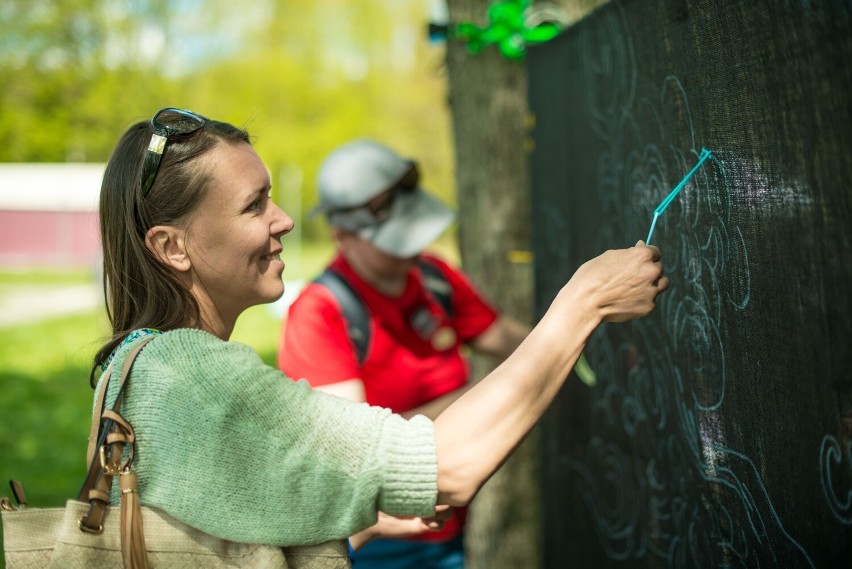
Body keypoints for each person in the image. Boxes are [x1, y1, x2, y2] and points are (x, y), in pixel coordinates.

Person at [93, 107, 668, 567]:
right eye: (254, 205)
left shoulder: (135, 363)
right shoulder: (199, 375)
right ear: (172, 247)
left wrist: (367, 514)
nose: (286, 219)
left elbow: (235, 542)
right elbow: (446, 467)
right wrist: (582, 302)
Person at [278, 139, 532, 568]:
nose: (411, 249)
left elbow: (514, 340)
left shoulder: (435, 279)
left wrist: (579, 334)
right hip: (381, 537)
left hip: (449, 524)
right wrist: (483, 394)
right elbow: (356, 450)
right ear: (342, 233)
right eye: (395, 241)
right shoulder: (320, 314)